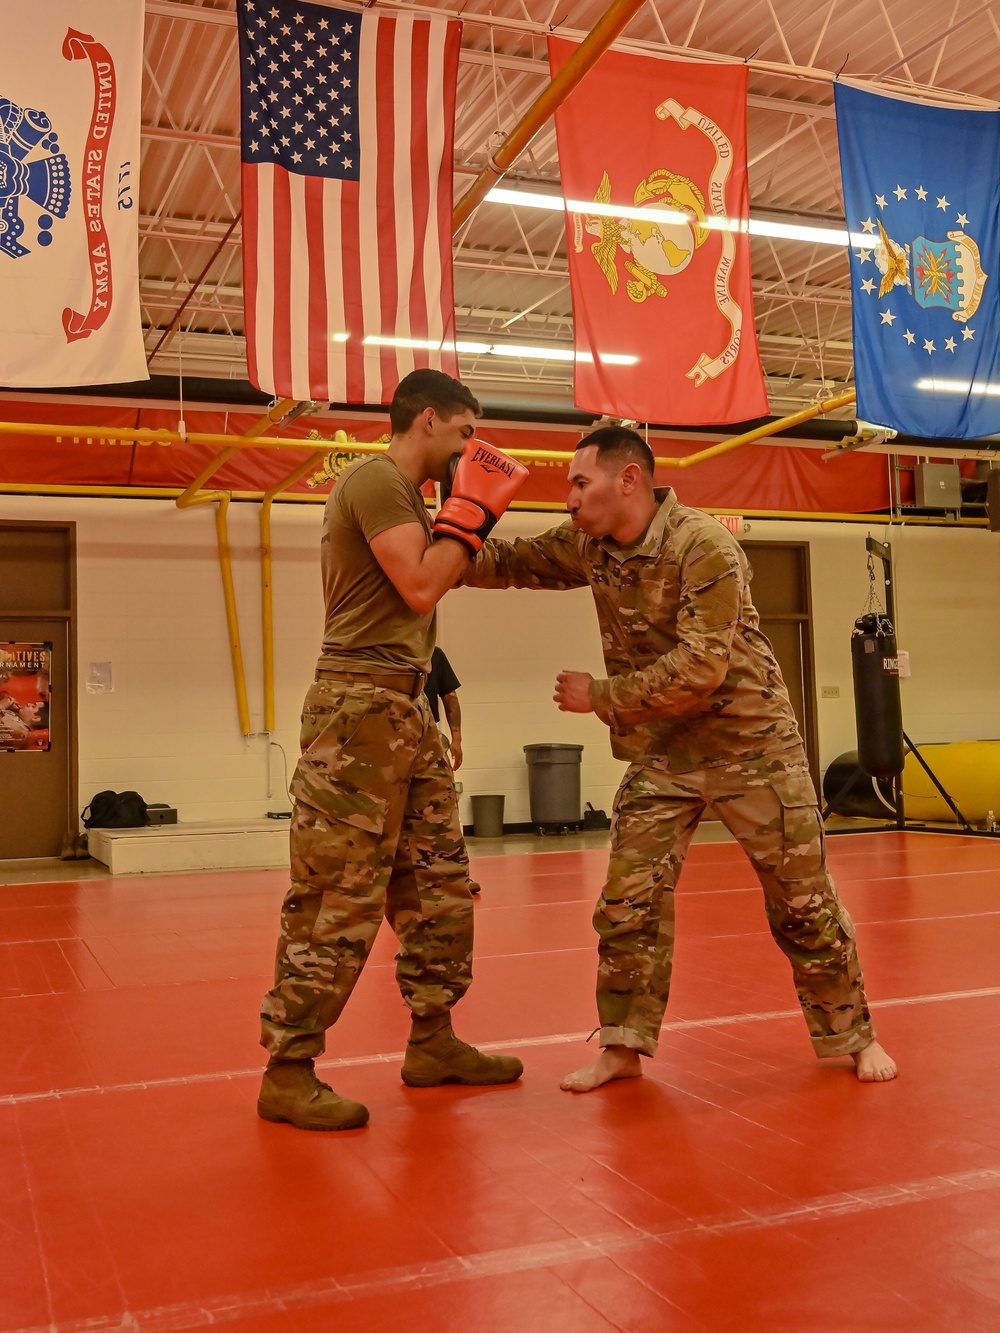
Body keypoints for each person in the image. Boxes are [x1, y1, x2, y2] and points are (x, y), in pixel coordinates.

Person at [463, 425, 897, 1092]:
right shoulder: (590, 546)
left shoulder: (703, 545)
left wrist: (601, 696)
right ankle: (621, 1045)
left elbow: (701, 666)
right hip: (664, 753)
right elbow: (513, 563)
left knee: (802, 902)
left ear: (628, 480)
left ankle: (855, 1034)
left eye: (581, 483)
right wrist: (442, 536)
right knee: (628, 900)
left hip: (752, 747)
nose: (570, 499)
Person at [258, 369, 528, 1131]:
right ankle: (287, 1069)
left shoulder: (412, 496)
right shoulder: (377, 480)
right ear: (428, 421)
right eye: (465, 432)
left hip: (407, 707)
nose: (471, 447)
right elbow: (418, 585)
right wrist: (473, 514)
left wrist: (465, 518)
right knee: (337, 892)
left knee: (439, 881)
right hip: (359, 711)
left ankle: (434, 1040)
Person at [424, 646, 483, 894]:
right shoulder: (384, 650)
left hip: (429, 734)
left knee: (445, 807)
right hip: (391, 736)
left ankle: (458, 875)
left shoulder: (433, 654)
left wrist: (456, 738)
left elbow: (449, 696)